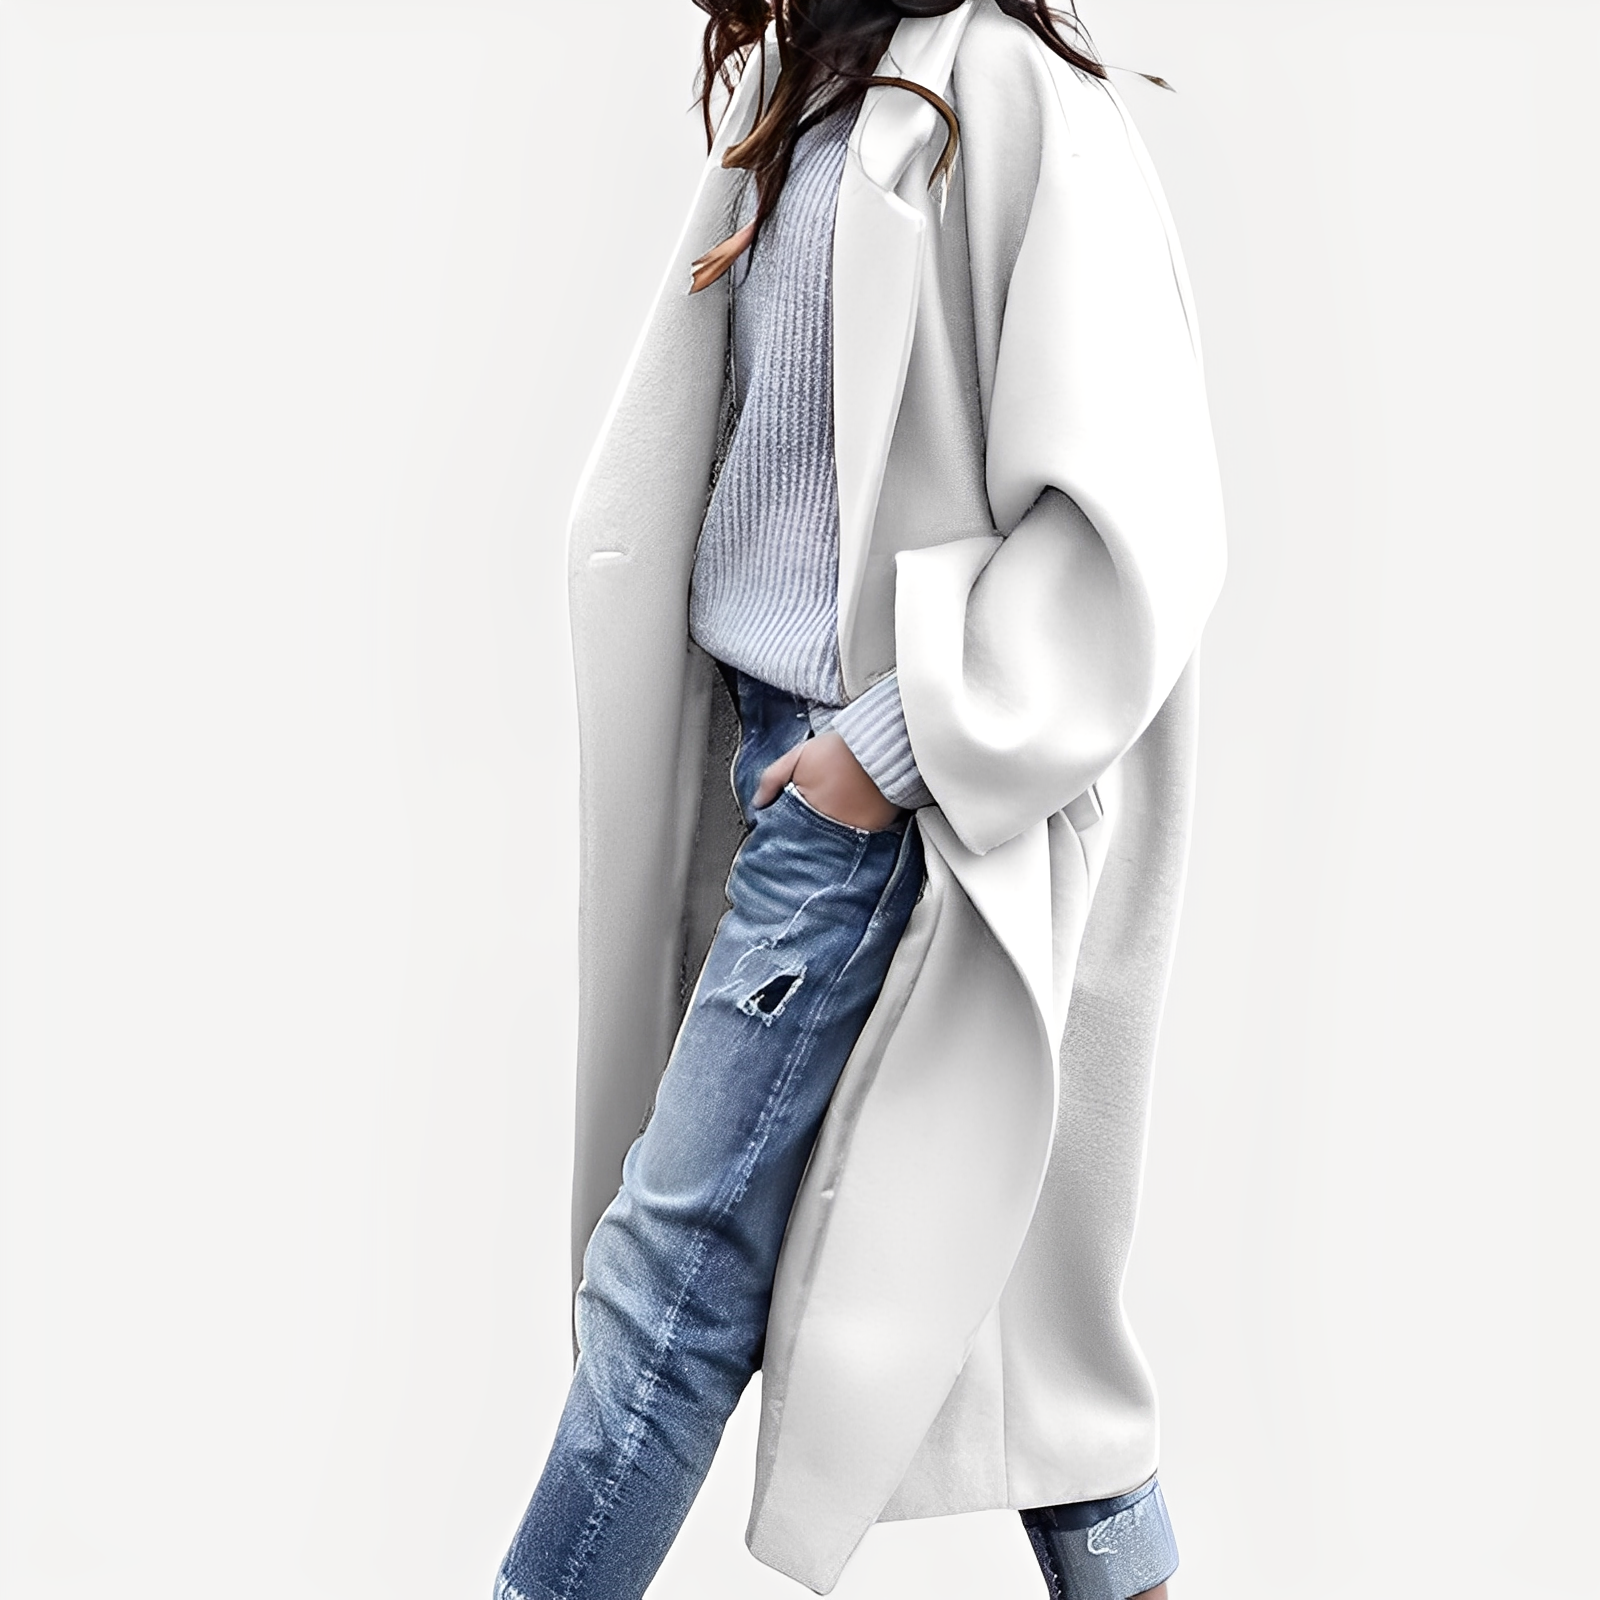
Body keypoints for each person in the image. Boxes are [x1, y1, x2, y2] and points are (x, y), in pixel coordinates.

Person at [495, 1, 1225, 1596]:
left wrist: (885, 754)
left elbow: (1140, 511)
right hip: (763, 754)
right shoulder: (809, 80)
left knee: (667, 1282)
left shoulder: (1015, 94)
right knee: (1018, 1324)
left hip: (865, 797)